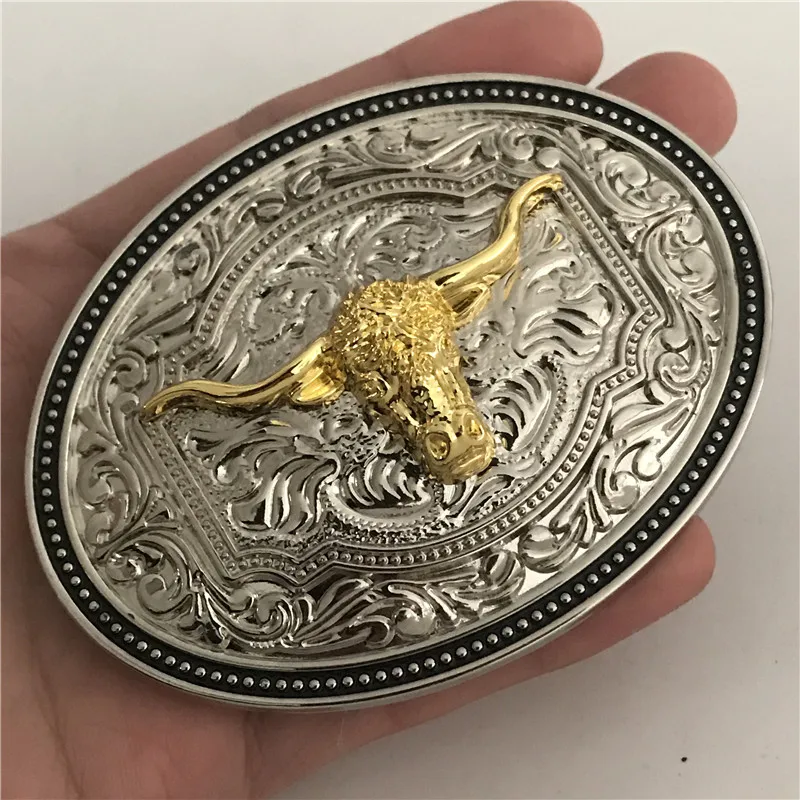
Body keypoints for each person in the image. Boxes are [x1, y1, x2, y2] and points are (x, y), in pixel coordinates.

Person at [1, 2, 735, 797]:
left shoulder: (475, 317)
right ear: (343, 392)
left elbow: (504, 250)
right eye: (387, 393)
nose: (426, 406)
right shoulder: (312, 398)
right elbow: (252, 400)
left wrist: (524, 207)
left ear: (459, 326)